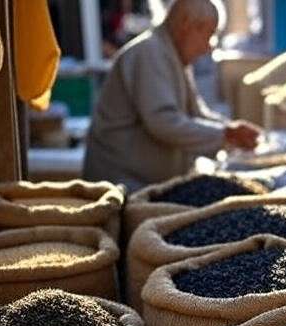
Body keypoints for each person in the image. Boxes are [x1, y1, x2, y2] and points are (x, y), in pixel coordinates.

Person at [83, 0, 259, 191]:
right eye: (208, 35)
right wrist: (225, 134)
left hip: (145, 184)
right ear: (186, 26)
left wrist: (229, 130)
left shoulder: (173, 55)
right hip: (121, 183)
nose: (208, 47)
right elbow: (163, 122)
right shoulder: (150, 52)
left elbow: (196, 114)